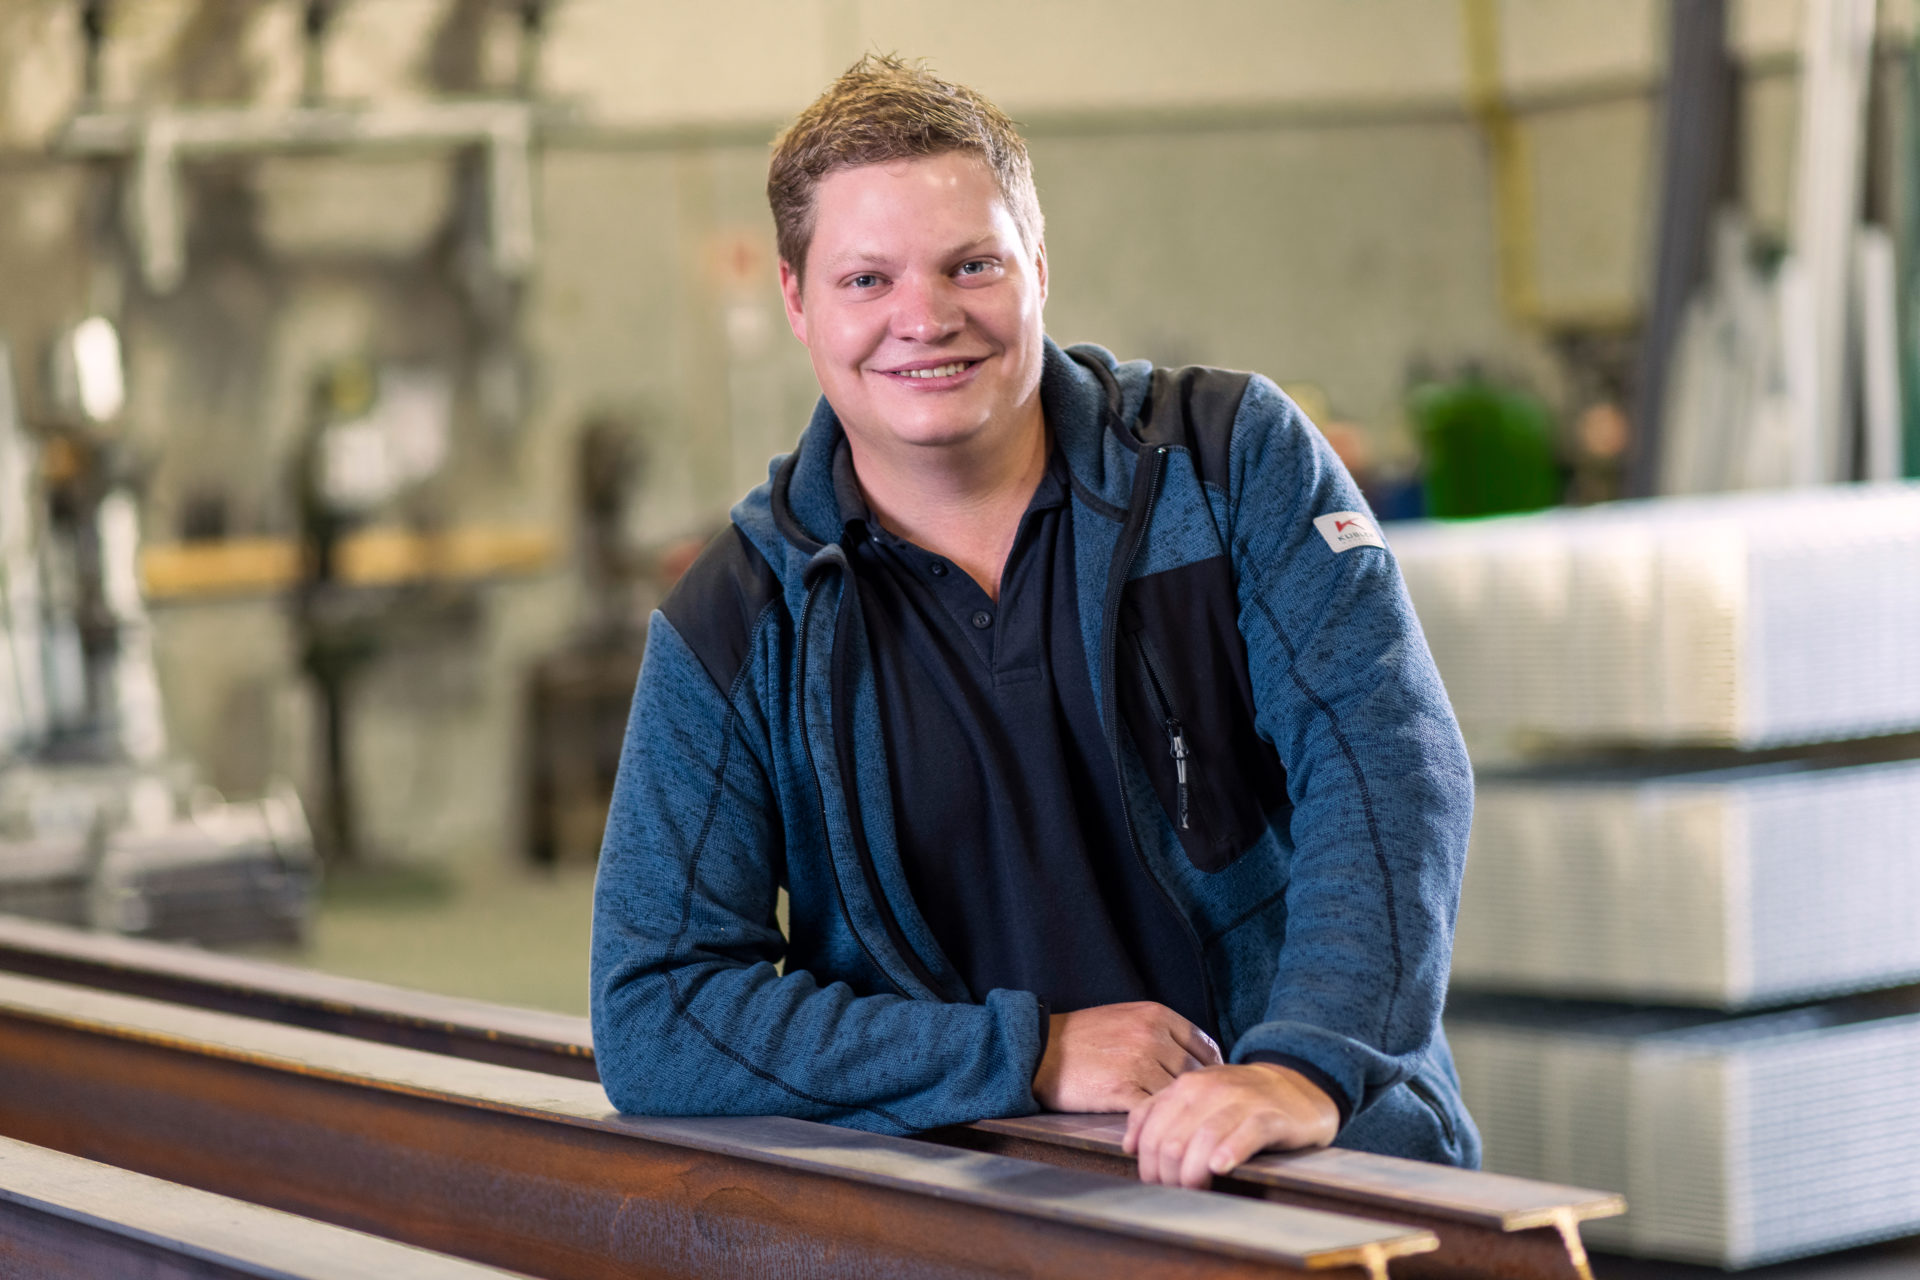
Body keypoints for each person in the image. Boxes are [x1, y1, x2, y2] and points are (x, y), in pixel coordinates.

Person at [590, 54, 1479, 1188]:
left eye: (972, 265)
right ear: (797, 301)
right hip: (975, 1204)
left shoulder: (1228, 465)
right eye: (867, 279)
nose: (926, 318)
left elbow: (1388, 764)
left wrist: (1302, 1066)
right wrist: (1027, 1052)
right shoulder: (739, 617)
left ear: (1039, 266)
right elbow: (657, 1010)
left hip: (1304, 1159)